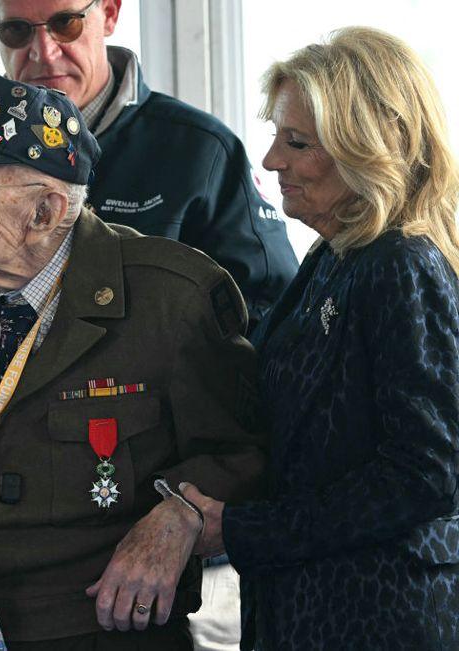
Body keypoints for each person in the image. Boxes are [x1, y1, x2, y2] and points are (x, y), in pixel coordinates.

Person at [0, 70, 268, 650]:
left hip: (100, 634)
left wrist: (183, 514)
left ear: (46, 211)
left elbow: (246, 453)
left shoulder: (169, 299)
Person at [178, 27, 459, 650]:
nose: (272, 160)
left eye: (297, 142)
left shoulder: (402, 265)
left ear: (373, 146)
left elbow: (426, 475)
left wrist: (245, 530)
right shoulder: (337, 255)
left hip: (381, 618)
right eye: (277, 136)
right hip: (316, 608)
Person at [0, 0, 298, 337]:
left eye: (66, 23)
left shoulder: (200, 152)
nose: (44, 52)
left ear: (109, 11)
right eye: (17, 30)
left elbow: (268, 324)